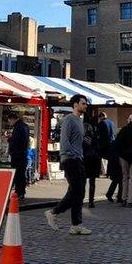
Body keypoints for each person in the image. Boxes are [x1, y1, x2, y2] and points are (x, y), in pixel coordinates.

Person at [45, 95, 91, 235]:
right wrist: (75, 153)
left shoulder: (80, 121)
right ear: (75, 105)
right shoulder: (69, 120)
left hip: (78, 158)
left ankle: (76, 225)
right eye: (83, 103)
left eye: (86, 103)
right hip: (70, 159)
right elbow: (65, 142)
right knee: (77, 190)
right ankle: (54, 212)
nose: (86, 106)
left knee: (79, 192)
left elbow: (77, 140)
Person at [7, 112, 30, 201]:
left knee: (18, 174)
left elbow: (17, 141)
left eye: (10, 121)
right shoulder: (24, 126)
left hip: (18, 154)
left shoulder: (18, 127)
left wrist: (10, 139)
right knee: (20, 174)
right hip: (22, 154)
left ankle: (19, 192)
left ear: (13, 119)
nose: (10, 123)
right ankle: (20, 192)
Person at [83, 111, 102, 208]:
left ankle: (80, 199)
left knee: (82, 181)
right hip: (94, 160)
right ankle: (91, 201)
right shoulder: (95, 137)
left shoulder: (82, 138)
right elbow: (98, 148)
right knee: (92, 182)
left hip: (85, 159)